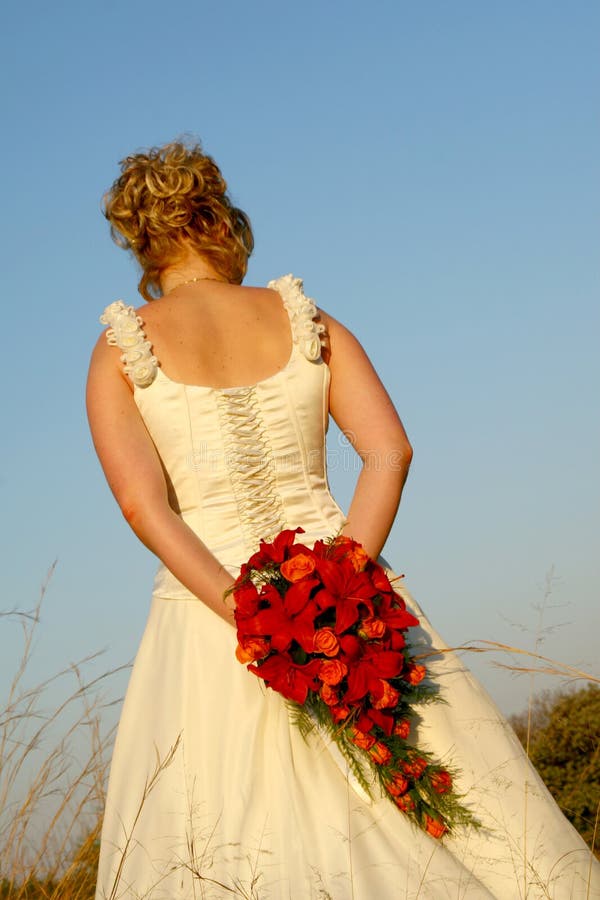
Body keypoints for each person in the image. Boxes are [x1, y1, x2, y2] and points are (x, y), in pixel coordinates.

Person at [87, 140, 599, 900]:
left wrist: (251, 614)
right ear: (219, 218)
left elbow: (142, 505)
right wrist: (338, 585)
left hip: (209, 618)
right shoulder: (304, 317)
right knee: (461, 808)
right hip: (351, 601)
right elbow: (389, 451)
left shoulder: (120, 348)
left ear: (141, 238)